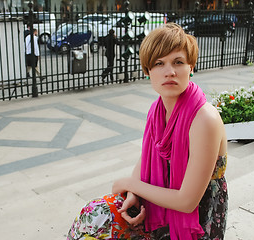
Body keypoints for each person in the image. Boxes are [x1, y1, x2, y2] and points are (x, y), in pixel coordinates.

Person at [67, 23, 228, 240]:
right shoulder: (157, 110)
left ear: (191, 67)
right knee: (95, 214)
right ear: (148, 71)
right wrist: (132, 194)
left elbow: (187, 201)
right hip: (159, 202)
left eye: (178, 62)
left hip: (196, 218)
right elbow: (146, 159)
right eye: (159, 63)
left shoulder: (204, 119)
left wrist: (130, 184)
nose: (169, 71)